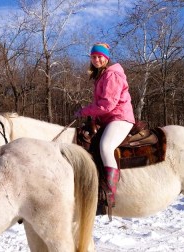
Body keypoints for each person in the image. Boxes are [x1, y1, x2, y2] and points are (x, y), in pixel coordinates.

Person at [75, 42, 135, 207]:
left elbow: (107, 105)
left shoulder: (112, 75)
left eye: (100, 56)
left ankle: (110, 191)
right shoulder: (101, 75)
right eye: (93, 57)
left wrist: (84, 111)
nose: (96, 60)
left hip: (120, 117)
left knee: (106, 147)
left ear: (106, 58)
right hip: (108, 119)